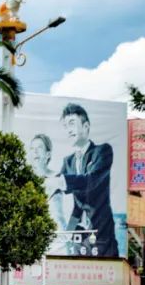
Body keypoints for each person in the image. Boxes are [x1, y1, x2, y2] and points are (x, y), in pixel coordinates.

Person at [47, 103, 119, 258]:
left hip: (102, 234)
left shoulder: (102, 151)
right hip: (79, 237)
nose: (68, 130)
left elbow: (91, 182)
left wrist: (60, 181)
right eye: (65, 126)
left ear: (86, 126)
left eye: (72, 123)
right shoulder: (68, 162)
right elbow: (72, 200)